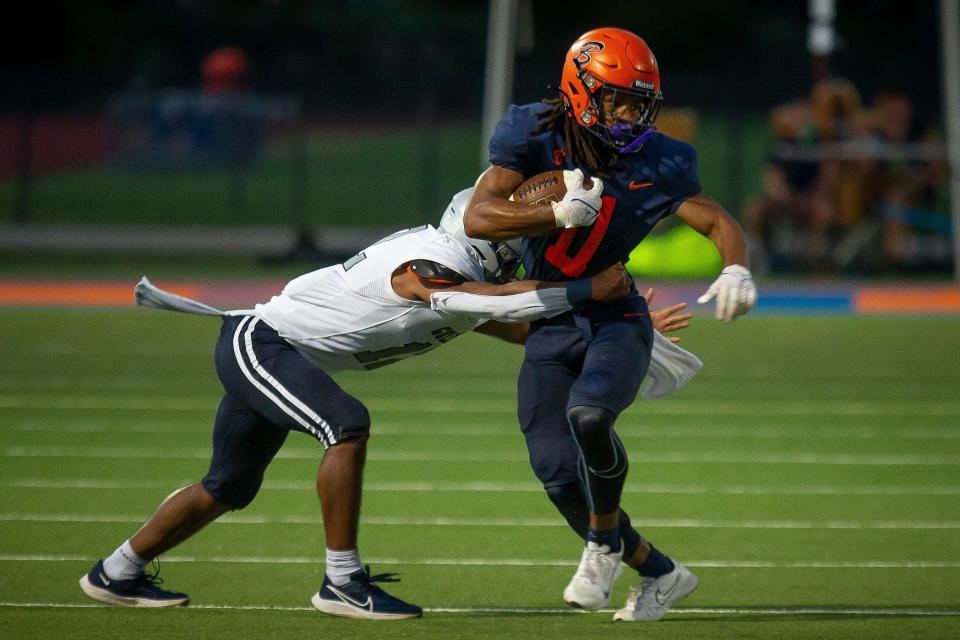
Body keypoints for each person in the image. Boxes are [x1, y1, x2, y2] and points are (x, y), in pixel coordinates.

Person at [77, 187, 699, 619]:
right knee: (347, 425)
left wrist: (621, 325)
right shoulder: (432, 263)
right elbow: (470, 301)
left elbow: (515, 326)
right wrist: (583, 289)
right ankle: (344, 582)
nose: (529, 250)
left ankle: (117, 571)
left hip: (285, 352)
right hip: (260, 342)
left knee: (227, 486)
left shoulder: (464, 280)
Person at [463, 27, 757, 621]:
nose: (627, 114)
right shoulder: (533, 131)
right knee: (553, 470)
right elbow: (477, 215)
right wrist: (553, 211)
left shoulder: (663, 159)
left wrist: (737, 269)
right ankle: (661, 572)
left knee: (590, 415)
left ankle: (601, 545)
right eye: (616, 99)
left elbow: (717, 219)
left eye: (638, 102)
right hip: (550, 316)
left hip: (616, 316)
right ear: (580, 89)